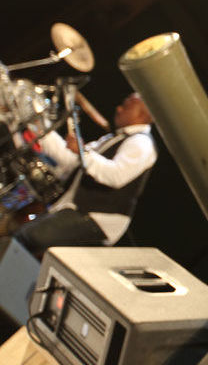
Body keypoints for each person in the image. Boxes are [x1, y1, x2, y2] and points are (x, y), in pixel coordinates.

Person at [14, 93, 156, 256]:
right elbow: (73, 161)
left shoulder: (141, 143)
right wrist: (39, 127)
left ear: (143, 114)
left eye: (126, 106)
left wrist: (83, 152)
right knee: (21, 232)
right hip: (75, 208)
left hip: (98, 219)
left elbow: (116, 176)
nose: (118, 108)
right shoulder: (116, 138)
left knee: (29, 236)